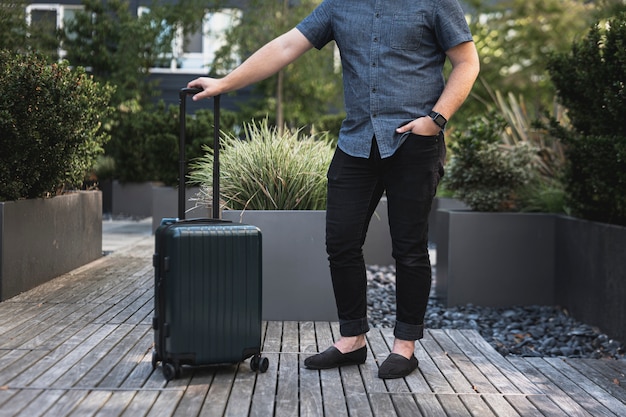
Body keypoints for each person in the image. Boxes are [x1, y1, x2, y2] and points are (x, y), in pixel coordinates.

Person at [188, 0, 479, 379]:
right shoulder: (339, 5)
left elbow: (467, 62)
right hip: (357, 141)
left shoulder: (435, 2)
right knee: (341, 242)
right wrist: (226, 82)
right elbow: (286, 46)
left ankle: (404, 348)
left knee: (408, 247)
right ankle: (352, 339)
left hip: (414, 141)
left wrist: (436, 119)